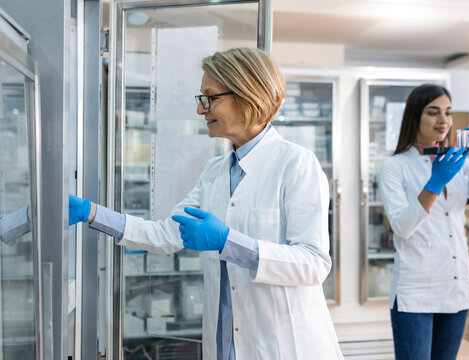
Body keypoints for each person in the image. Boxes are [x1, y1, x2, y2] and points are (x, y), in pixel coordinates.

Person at [69, 47, 343, 360]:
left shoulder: (296, 164)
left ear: (247, 95)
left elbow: (313, 264)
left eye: (210, 97)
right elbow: (167, 234)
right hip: (225, 345)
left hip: (283, 346)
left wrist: (230, 242)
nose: (201, 110)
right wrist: (90, 213)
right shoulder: (215, 171)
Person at [378, 84, 469, 360]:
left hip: (455, 286)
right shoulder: (394, 167)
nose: (444, 120)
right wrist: (435, 182)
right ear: (415, 116)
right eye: (433, 112)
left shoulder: (459, 162)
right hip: (415, 291)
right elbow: (402, 227)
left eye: (448, 113)